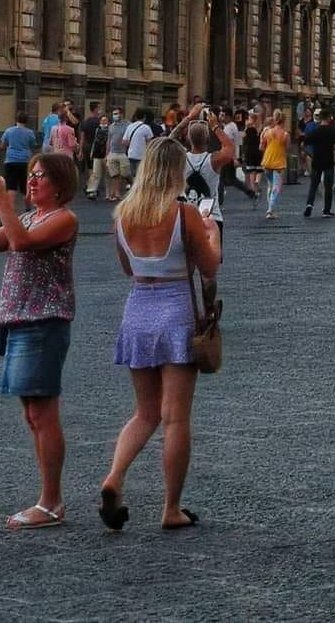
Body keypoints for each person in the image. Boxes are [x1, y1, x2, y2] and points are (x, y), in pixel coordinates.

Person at [101, 137, 221, 532]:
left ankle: (115, 477)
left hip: (138, 308)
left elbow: (126, 268)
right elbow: (209, 267)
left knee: (145, 412)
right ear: (175, 170)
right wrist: (213, 235)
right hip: (176, 312)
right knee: (175, 418)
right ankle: (171, 507)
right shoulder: (183, 214)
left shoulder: (122, 214)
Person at [0, 151, 79, 529]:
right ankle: (48, 499)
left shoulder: (64, 219)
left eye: (41, 176)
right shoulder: (33, 216)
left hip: (44, 321)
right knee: (33, 414)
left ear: (60, 185)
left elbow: (19, 243)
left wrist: (2, 198)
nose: (31, 181)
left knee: (43, 413)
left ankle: (51, 502)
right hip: (21, 321)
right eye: (31, 174)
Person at [173, 106, 235, 250]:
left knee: (186, 265)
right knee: (209, 268)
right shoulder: (214, 160)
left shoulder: (180, 158)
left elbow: (165, 143)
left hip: (185, 218)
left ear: (188, 138)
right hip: (212, 218)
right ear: (208, 138)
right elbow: (230, 149)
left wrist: (188, 118)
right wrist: (215, 126)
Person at [303, 109, 335, 218]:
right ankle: (326, 210)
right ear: (328, 117)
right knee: (328, 187)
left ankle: (309, 204)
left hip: (316, 160)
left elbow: (304, 145)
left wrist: (311, 155)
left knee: (313, 185)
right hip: (328, 161)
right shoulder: (332, 131)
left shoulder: (315, 131)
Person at [0, 112, 37, 204]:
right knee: (26, 187)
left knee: (11, 187)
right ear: (27, 121)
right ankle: (28, 209)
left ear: (16, 119)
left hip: (11, 161)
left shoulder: (9, 131)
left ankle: (10, 209)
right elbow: (33, 145)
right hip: (25, 161)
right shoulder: (30, 132)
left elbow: (2, 146)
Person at [260, 110, 289, 220]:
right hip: (279, 162)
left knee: (270, 185)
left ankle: (270, 209)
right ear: (284, 121)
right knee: (276, 187)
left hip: (267, 160)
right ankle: (270, 210)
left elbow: (261, 147)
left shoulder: (268, 132)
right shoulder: (285, 134)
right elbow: (287, 148)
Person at [123, 108, 155, 182]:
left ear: (136, 117)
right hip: (141, 155)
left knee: (133, 175)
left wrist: (133, 142)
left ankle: (132, 189)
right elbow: (149, 143)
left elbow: (124, 142)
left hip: (131, 154)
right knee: (140, 176)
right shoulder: (146, 127)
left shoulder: (129, 126)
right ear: (144, 117)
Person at [105, 108, 130, 201]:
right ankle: (116, 193)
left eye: (116, 113)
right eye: (113, 114)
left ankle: (124, 189)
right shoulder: (111, 126)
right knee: (114, 174)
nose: (115, 115)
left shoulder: (128, 125)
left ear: (121, 114)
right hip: (113, 152)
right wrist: (107, 154)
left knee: (125, 174)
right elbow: (109, 140)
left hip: (123, 152)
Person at [78, 102, 102, 194]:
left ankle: (89, 185)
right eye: (99, 107)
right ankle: (90, 186)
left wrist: (80, 150)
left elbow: (82, 137)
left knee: (90, 168)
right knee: (96, 168)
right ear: (95, 109)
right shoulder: (100, 122)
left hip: (87, 146)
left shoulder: (85, 122)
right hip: (96, 147)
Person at [241, 109, 264, 201]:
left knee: (251, 171)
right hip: (258, 151)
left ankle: (253, 189)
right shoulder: (260, 128)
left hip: (249, 151)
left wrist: (246, 126)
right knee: (259, 169)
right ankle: (257, 181)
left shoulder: (248, 129)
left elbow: (243, 138)